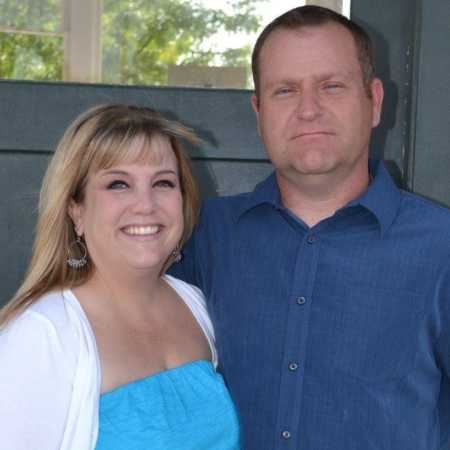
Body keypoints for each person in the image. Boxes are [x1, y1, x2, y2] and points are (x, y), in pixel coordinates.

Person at [170, 5, 450, 450]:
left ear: (374, 102)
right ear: (258, 110)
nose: (308, 109)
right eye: (285, 91)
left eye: (331, 86)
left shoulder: (442, 248)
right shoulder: (200, 236)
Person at [0, 104, 240, 450]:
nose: (145, 205)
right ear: (76, 210)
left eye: (163, 182)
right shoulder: (41, 334)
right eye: (118, 184)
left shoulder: (195, 304)